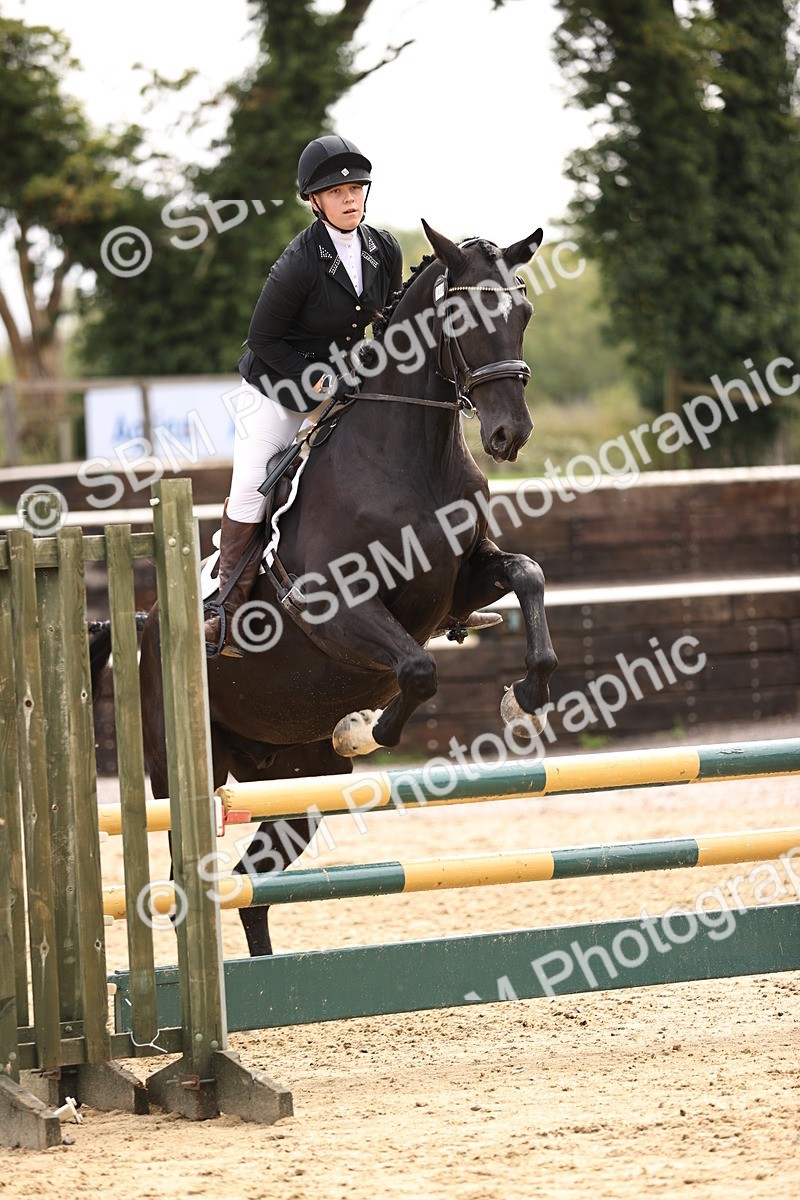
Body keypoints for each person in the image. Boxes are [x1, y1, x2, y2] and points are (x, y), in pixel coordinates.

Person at [205, 134, 403, 657]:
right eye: (336, 191)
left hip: (342, 380)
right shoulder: (299, 262)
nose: (350, 197)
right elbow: (264, 340)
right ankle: (225, 607)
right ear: (314, 201)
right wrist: (316, 385)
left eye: (356, 187)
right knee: (252, 486)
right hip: (276, 386)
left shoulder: (383, 248)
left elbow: (388, 320)